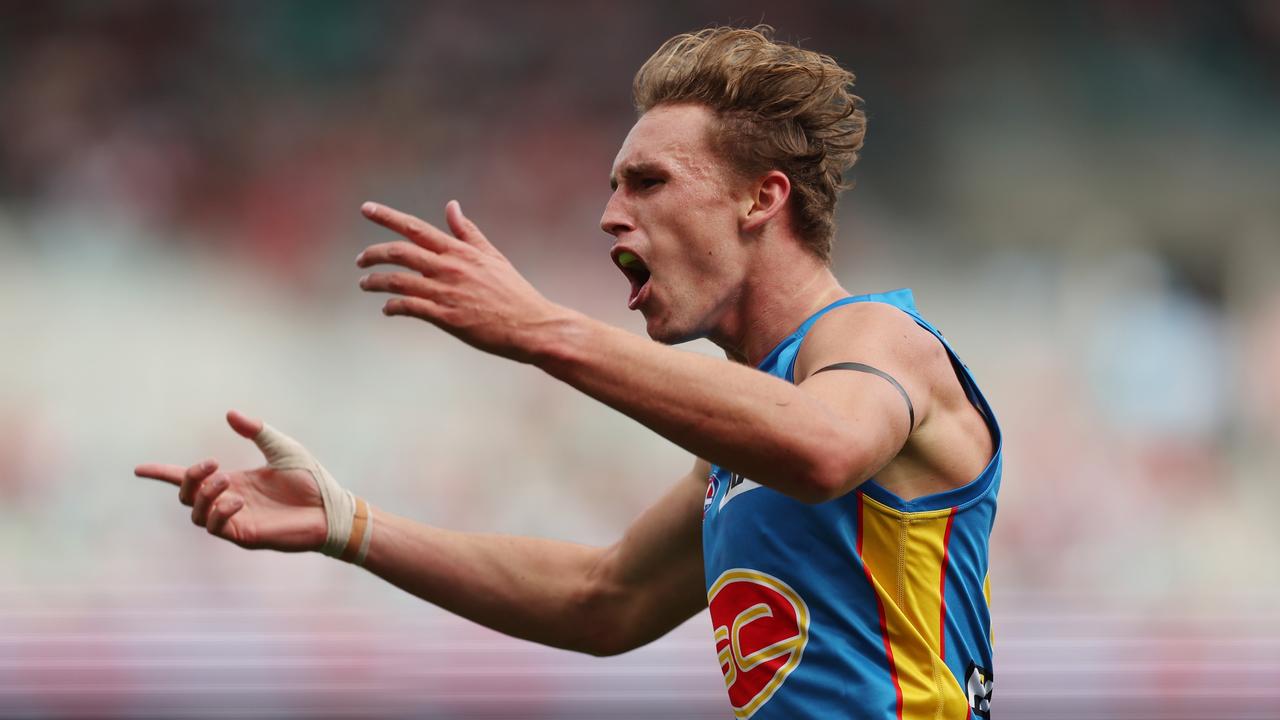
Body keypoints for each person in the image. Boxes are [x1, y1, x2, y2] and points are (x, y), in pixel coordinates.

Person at [136, 26, 1000, 719]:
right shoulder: (746, 436)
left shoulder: (878, 337)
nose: (609, 215)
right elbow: (604, 599)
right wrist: (352, 527)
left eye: (648, 182)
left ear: (760, 199)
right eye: (613, 187)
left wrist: (539, 328)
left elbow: (824, 449)